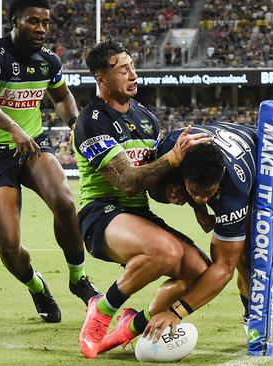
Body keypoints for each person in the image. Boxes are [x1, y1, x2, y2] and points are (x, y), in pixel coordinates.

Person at [73, 40, 212, 358]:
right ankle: (102, 311)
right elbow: (126, 181)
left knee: (200, 272)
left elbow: (151, 186)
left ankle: (132, 326)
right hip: (100, 215)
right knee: (165, 251)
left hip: (139, 216)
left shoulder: (147, 120)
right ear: (101, 77)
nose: (133, 74)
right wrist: (173, 160)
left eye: (132, 66)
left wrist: (175, 193)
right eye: (123, 70)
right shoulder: (91, 121)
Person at [0, 0, 98, 324]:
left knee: (65, 203)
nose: (41, 29)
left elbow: (63, 96)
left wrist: (76, 126)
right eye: (33, 22)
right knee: (9, 248)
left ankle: (78, 278)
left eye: (45, 23)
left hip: (35, 145)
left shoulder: (49, 61)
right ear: (14, 20)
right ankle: (36, 286)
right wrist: (12, 128)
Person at [94, 121, 258, 345]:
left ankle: (252, 317)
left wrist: (176, 312)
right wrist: (182, 199)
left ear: (219, 181)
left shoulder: (234, 193)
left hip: (256, 151)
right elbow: (153, 190)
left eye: (208, 194)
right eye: (193, 192)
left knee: (246, 259)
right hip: (212, 139)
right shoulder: (171, 149)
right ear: (182, 173)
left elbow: (223, 269)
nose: (201, 199)